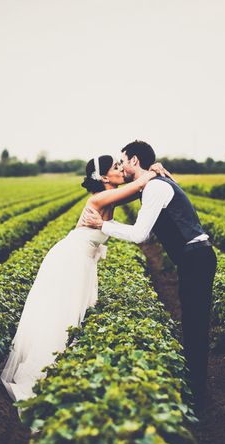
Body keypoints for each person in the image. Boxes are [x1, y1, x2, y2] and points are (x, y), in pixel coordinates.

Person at [0, 154, 170, 402]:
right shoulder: (100, 198)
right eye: (115, 167)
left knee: (72, 313)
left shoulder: (110, 196)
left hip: (82, 261)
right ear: (103, 177)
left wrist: (150, 176)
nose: (121, 169)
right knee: (64, 314)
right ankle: (41, 375)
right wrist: (153, 171)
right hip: (71, 259)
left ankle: (58, 369)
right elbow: (137, 186)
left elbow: (138, 191)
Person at [81, 140, 217, 412]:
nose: (120, 165)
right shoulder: (154, 183)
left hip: (196, 257)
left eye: (122, 160)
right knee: (192, 320)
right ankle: (197, 385)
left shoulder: (155, 186)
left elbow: (140, 235)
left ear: (134, 160)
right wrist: (153, 171)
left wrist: (103, 224)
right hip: (193, 257)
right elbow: (132, 192)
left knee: (194, 322)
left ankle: (199, 393)